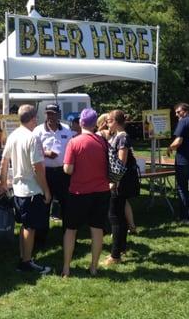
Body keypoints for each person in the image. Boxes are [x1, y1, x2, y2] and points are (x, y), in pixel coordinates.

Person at [0, 104, 51, 274]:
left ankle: (24, 258)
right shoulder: (32, 138)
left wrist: (3, 184)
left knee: (24, 225)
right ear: (34, 118)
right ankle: (26, 262)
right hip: (32, 190)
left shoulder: (13, 135)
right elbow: (38, 168)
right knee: (30, 226)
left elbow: (3, 163)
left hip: (18, 189)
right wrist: (47, 190)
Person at [61, 108, 110, 277]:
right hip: (101, 191)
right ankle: (94, 267)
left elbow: (68, 169)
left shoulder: (74, 142)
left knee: (71, 230)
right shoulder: (103, 142)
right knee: (97, 230)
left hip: (78, 192)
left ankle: (66, 268)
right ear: (95, 124)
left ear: (81, 122)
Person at [103, 110, 138, 265]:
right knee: (119, 216)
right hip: (120, 181)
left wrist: (114, 182)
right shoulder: (117, 136)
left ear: (116, 122)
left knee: (114, 217)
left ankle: (115, 256)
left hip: (121, 182)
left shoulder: (122, 137)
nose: (107, 123)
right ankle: (121, 248)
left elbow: (121, 163)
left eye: (109, 120)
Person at [32, 103, 72, 238]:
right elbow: (32, 151)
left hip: (62, 172)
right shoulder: (38, 131)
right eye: (48, 113)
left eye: (53, 114)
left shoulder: (66, 129)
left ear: (59, 114)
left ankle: (68, 236)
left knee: (66, 205)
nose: (51, 116)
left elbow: (71, 150)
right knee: (44, 204)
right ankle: (41, 238)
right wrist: (46, 153)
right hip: (45, 172)